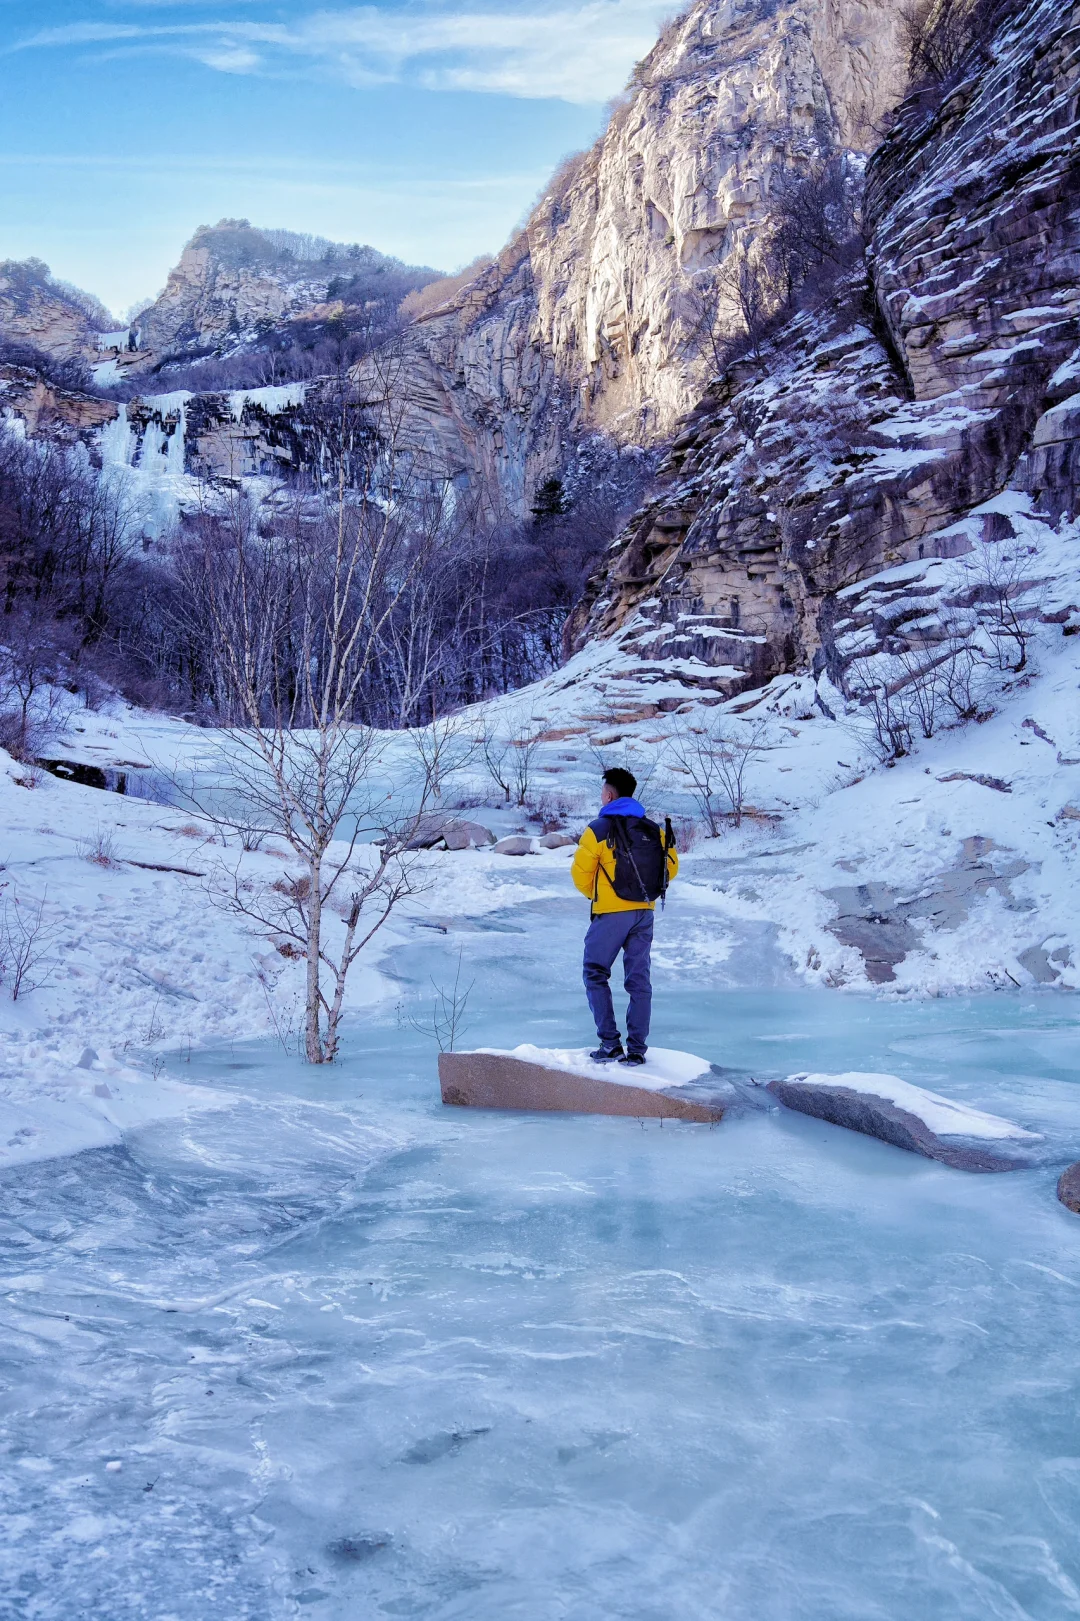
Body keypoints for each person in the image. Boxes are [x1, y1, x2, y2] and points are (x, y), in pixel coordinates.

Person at [571, 767, 678, 1065]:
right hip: (645, 912)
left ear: (609, 794)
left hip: (611, 913)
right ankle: (637, 1051)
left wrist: (601, 895)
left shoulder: (598, 829)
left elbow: (580, 874)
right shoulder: (653, 828)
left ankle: (610, 1044)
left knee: (594, 971)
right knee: (639, 980)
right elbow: (671, 868)